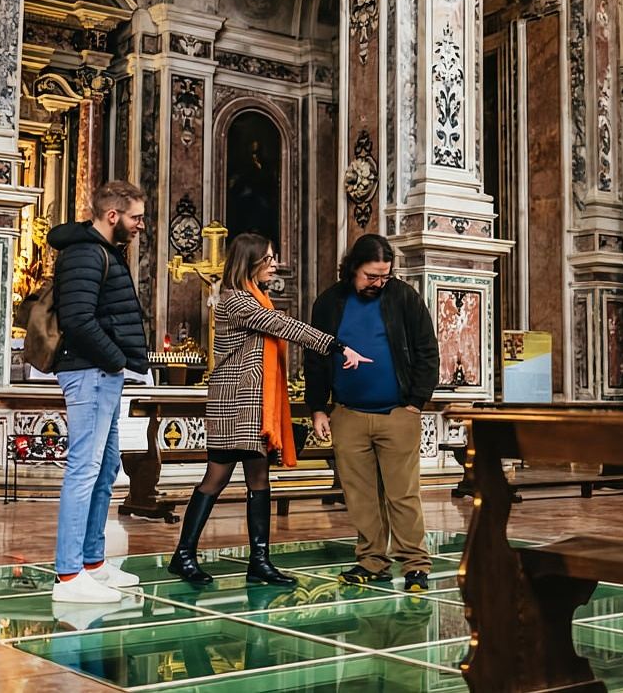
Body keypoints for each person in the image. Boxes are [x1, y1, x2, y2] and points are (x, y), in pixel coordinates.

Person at [168, 233, 371, 586]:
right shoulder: (237, 302)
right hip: (234, 403)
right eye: (270, 259)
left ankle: (259, 560)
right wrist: (337, 346)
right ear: (251, 263)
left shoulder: (256, 299)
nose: (275, 265)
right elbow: (284, 326)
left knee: (259, 478)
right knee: (216, 477)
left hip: (253, 406)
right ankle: (184, 554)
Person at [305, 234, 440, 592]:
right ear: (352, 268)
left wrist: (416, 402)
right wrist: (318, 407)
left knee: (402, 494)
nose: (378, 283)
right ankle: (371, 561)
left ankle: (415, 564)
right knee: (359, 495)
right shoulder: (329, 302)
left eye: (384, 276)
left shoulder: (403, 298)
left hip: (398, 412)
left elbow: (428, 349)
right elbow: (315, 358)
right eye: (371, 276)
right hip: (347, 413)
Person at [46, 180, 149, 602]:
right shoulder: (87, 253)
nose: (141, 225)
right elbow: (77, 319)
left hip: (102, 372)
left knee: (106, 469)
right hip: (90, 372)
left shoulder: (104, 252)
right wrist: (116, 359)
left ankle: (92, 562)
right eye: (135, 217)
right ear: (112, 216)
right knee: (84, 470)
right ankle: (68, 577)